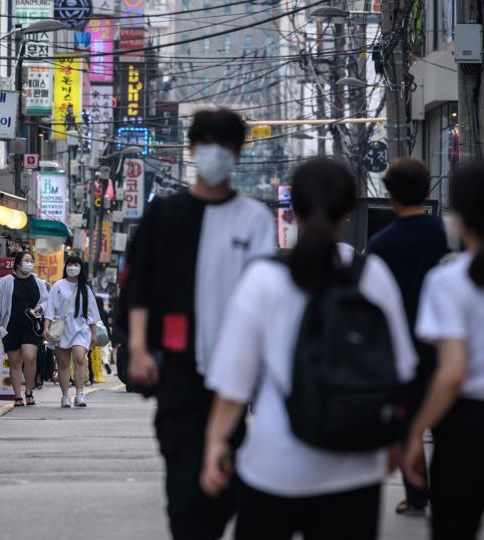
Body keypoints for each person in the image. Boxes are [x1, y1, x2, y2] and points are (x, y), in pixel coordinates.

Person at [200, 157, 416, 540]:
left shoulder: (263, 279)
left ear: (291, 209)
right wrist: (403, 439)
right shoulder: (372, 275)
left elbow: (234, 383)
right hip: (356, 467)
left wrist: (216, 442)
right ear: (347, 212)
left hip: (274, 465)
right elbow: (399, 371)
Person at [125, 108, 276, 539]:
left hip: (236, 374)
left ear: (238, 154)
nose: (216, 156)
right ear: (192, 150)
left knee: (227, 482)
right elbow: (140, 286)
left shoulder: (255, 219)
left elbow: (267, 296)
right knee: (184, 479)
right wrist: (137, 348)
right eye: (208, 146)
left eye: (226, 148)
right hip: (177, 365)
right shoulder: (165, 215)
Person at [404, 159, 484, 540]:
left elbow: (452, 372)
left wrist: (416, 430)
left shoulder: (446, 281)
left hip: (464, 432)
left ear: (459, 216)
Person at [365, 158, 449, 517]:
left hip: (405, 345)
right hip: (447, 343)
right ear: (427, 188)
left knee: (410, 424)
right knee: (447, 425)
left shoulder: (381, 244)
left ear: (390, 196)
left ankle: (416, 495)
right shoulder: (448, 234)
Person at [0, 251, 49, 406]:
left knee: (30, 357)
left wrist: (40, 308)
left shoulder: (38, 282)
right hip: (11, 325)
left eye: (31, 261)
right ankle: (17, 396)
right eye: (26, 260)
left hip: (31, 325)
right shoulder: (6, 281)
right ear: (17, 263)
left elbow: (46, 300)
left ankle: (29, 391)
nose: (29, 264)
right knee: (15, 362)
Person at [44, 256, 100, 408]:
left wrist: (94, 333)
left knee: (80, 358)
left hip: (81, 328)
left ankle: (80, 393)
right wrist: (46, 326)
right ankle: (65, 396)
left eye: (76, 264)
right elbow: (50, 307)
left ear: (81, 267)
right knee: (63, 364)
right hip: (62, 328)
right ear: (65, 266)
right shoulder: (58, 286)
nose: (73, 267)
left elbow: (92, 312)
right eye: (70, 264)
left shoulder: (85, 288)